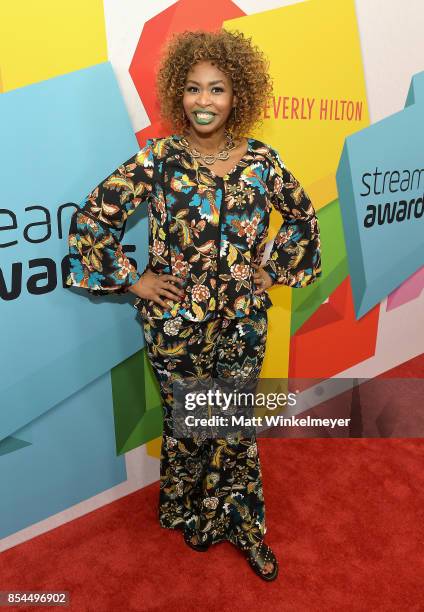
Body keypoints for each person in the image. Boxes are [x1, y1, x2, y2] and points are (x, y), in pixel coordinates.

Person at [65, 29, 322, 582]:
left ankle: (241, 521)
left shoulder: (262, 161)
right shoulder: (158, 160)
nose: (204, 101)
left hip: (244, 324)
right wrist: (136, 281)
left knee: (230, 424)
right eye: (193, 89)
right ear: (178, 95)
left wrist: (272, 270)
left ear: (238, 97)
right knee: (188, 419)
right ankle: (188, 508)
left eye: (218, 90)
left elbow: (303, 216)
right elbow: (93, 218)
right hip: (175, 325)